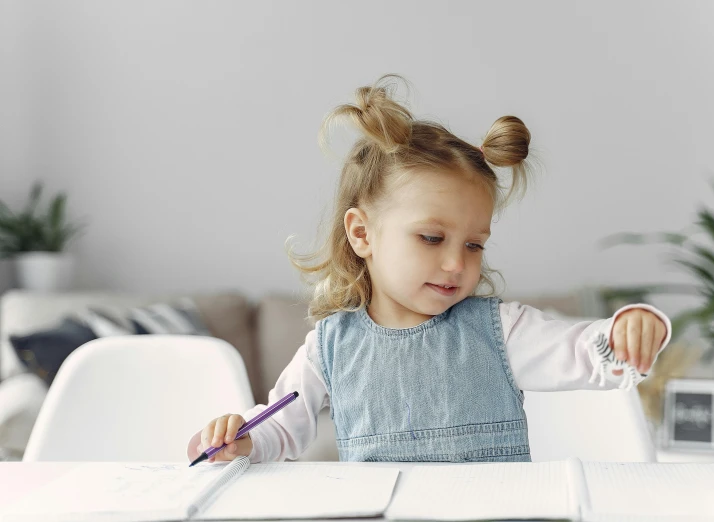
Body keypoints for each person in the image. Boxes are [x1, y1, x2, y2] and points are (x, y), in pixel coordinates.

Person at [187, 74, 671, 464]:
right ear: (362, 234)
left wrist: (631, 329)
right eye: (432, 238)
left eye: (475, 245)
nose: (457, 263)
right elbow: (279, 428)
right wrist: (242, 439)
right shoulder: (328, 349)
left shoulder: (500, 331)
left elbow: (591, 354)